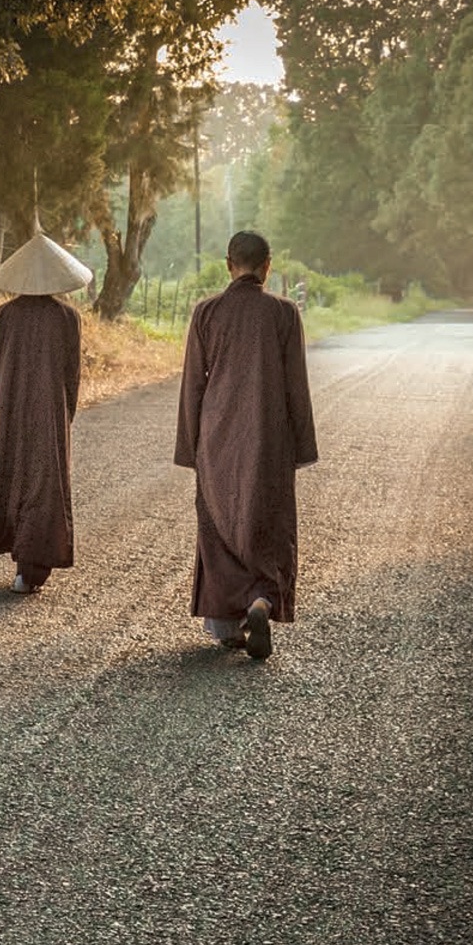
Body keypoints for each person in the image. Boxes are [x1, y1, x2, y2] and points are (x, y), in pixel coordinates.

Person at [174, 230, 319, 661]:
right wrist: (300, 445)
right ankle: (261, 600)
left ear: (228, 265)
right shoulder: (284, 314)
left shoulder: (206, 313)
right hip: (269, 435)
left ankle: (227, 624)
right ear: (267, 266)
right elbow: (297, 386)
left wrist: (191, 446)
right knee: (269, 521)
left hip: (217, 436)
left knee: (218, 524)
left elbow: (191, 388)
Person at [0, 229, 89, 594]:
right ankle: (31, 567)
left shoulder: (4, 316)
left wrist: (5, 406)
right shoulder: (67, 318)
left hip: (12, 408)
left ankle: (19, 558)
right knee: (45, 482)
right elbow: (71, 375)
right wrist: (65, 414)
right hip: (50, 410)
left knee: (14, 476)